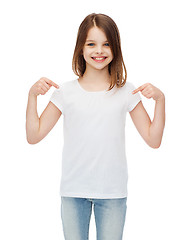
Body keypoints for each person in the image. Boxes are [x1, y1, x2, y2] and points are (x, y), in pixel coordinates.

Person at [26, 13, 165, 240]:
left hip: (112, 193)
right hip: (73, 191)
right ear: (81, 48)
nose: (99, 51)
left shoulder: (126, 92)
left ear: (115, 48)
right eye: (91, 44)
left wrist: (160, 100)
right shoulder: (65, 92)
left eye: (106, 44)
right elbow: (34, 135)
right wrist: (32, 96)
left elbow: (153, 140)